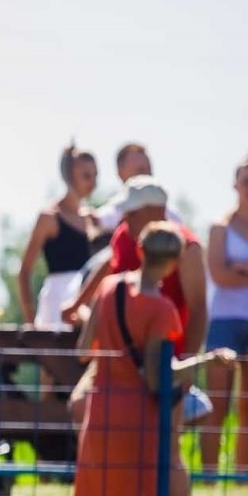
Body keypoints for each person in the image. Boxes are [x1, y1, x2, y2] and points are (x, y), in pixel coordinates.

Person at [14, 224, 234, 496]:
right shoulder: (163, 310)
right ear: (172, 264)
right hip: (139, 419)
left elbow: (83, 351)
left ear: (139, 250)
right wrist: (205, 361)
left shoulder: (108, 288)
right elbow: (157, 377)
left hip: (101, 409)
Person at [66, 177, 211, 475]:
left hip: (164, 358)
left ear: (157, 211)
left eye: (133, 211)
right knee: (81, 404)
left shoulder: (189, 248)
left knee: (165, 445)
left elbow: (198, 311)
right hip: (118, 357)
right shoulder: (124, 235)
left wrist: (182, 369)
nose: (125, 216)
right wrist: (78, 303)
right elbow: (110, 271)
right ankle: (101, 485)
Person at [206, 154, 248, 473]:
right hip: (224, 322)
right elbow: (218, 274)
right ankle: (209, 475)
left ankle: (243, 475)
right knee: (217, 402)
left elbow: (229, 272)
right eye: (247, 182)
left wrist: (239, 267)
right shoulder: (220, 228)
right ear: (235, 185)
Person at [17, 146, 99, 326]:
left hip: (87, 302)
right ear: (70, 175)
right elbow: (24, 272)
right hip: (56, 307)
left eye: (95, 175)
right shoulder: (49, 217)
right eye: (86, 176)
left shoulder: (92, 218)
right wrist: (31, 323)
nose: (93, 183)